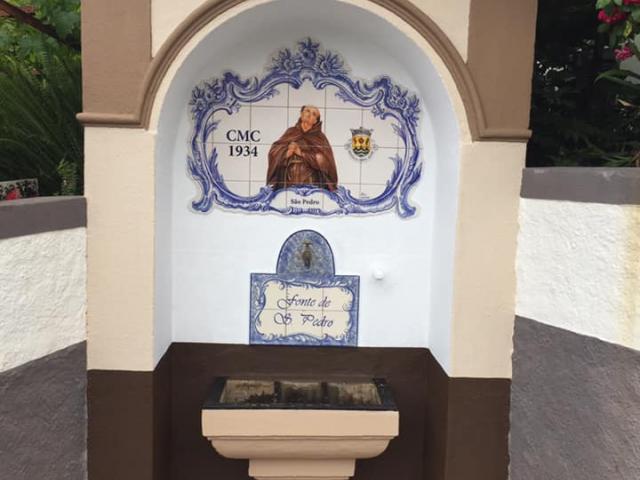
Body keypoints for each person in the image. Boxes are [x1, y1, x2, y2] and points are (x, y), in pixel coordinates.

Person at [267, 105, 338, 191]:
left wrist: (301, 153)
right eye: (307, 111)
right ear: (301, 114)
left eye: (314, 114)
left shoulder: (320, 137)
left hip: (312, 181)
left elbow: (324, 161)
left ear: (315, 121)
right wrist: (286, 153)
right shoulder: (291, 132)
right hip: (289, 179)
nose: (309, 114)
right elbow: (274, 151)